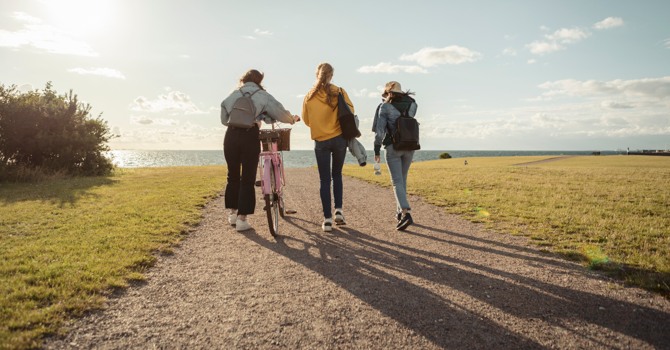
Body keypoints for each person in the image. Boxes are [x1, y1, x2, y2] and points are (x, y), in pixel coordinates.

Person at [220, 69, 300, 232]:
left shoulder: (234, 94)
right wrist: (292, 119)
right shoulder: (263, 95)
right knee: (248, 178)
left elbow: (223, 119)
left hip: (231, 136)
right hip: (250, 136)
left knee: (232, 175)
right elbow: (280, 113)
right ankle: (243, 219)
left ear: (243, 80)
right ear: (259, 81)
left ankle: (233, 213)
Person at [302, 62, 353, 232]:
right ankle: (338, 210)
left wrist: (320, 125)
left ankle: (328, 220)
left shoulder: (309, 96)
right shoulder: (339, 91)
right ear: (331, 75)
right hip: (339, 139)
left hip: (321, 140)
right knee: (337, 174)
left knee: (324, 180)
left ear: (317, 75)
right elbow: (350, 111)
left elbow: (307, 120)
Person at [373, 81, 418, 231]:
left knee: (396, 181)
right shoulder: (412, 104)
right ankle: (399, 213)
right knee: (402, 180)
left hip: (393, 147)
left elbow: (380, 131)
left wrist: (376, 150)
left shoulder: (385, 107)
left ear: (387, 93)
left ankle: (405, 213)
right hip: (410, 146)